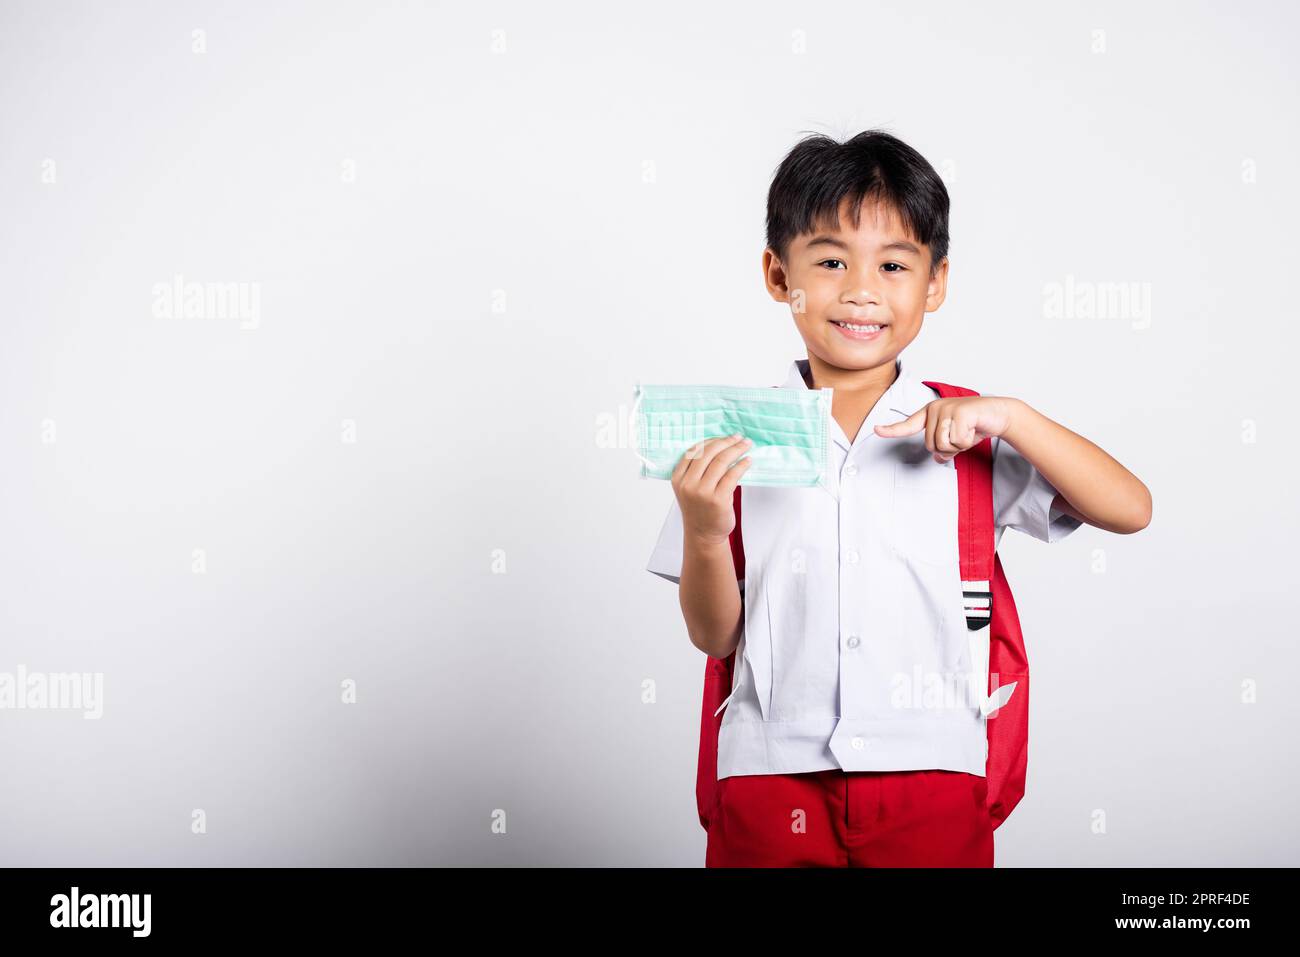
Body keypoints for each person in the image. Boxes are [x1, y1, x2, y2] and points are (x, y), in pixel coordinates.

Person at [645, 129, 1152, 867]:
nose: (860, 290)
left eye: (892, 264)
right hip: (768, 774)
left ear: (935, 282)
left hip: (935, 771)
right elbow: (715, 637)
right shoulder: (733, 441)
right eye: (828, 261)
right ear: (777, 273)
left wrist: (1010, 415)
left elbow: (1130, 507)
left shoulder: (969, 429)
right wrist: (701, 531)